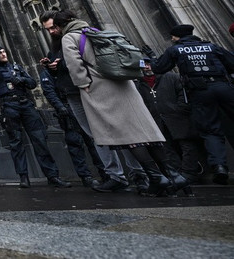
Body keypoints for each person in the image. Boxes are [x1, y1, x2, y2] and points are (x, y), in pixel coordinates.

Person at [56, 11, 191, 196]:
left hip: (103, 89)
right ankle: (174, 175)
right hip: (125, 85)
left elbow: (74, 64)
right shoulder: (96, 31)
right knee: (147, 133)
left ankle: (157, 178)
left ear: (62, 25)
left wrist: (83, 84)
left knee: (130, 137)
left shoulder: (70, 37)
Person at [40, 11, 145, 193]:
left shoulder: (75, 37)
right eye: (47, 30)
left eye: (52, 28)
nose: (51, 32)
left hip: (89, 89)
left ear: (60, 25)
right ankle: (117, 175)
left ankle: (136, 173)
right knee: (97, 135)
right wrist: (53, 68)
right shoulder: (58, 46)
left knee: (115, 131)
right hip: (73, 91)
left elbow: (87, 62)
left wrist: (79, 79)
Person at [150, 24, 234, 185]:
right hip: (223, 86)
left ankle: (219, 167)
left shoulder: (175, 50)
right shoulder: (211, 46)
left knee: (210, 130)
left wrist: (152, 58)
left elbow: (159, 68)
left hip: (200, 91)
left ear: (177, 37)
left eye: (173, 37)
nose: (172, 39)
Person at [0, 46, 71, 189]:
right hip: (10, 106)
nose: (3, 54)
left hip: (26, 105)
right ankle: (23, 177)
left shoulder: (16, 67)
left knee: (40, 140)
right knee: (16, 143)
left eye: (4, 51)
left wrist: (22, 80)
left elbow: (32, 83)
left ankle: (53, 176)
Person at [38, 55, 102, 188]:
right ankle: (85, 176)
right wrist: (60, 107)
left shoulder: (67, 70)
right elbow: (49, 91)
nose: (55, 63)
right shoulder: (46, 74)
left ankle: (105, 172)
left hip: (79, 105)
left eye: (57, 60)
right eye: (52, 61)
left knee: (93, 140)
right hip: (66, 109)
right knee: (75, 143)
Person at [137, 62, 202, 184]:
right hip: (156, 119)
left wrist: (180, 108)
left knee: (187, 144)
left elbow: (183, 93)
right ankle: (177, 174)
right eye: (143, 65)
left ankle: (189, 172)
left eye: (149, 63)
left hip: (177, 116)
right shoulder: (140, 84)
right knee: (166, 148)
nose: (146, 67)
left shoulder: (171, 77)